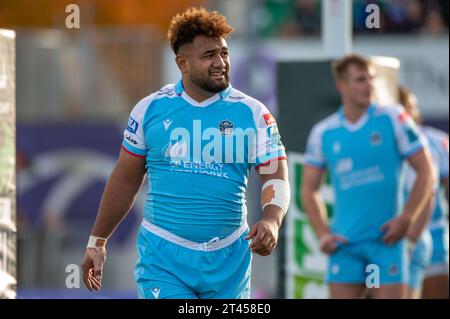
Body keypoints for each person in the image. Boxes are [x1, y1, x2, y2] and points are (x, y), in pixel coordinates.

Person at [80, 7, 289, 299]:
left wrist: (271, 220)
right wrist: (97, 241)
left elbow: (275, 174)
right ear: (183, 63)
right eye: (209, 56)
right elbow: (125, 180)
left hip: (230, 260)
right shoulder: (150, 109)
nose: (221, 63)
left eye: (224, 53)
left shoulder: (253, 113)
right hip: (164, 259)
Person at [301, 54, 434, 299]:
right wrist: (322, 233)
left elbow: (427, 170)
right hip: (345, 245)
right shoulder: (324, 132)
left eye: (371, 78)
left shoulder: (394, 117)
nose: (369, 85)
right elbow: (308, 189)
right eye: (360, 79)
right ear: (341, 85)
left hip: (387, 243)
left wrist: (407, 217)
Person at [399, 86, 450, 299]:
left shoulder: (437, 141)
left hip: (434, 235)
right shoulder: (380, 141)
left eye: (410, 107)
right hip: (392, 236)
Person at [398, 86, 435, 299]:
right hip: (387, 241)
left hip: (414, 237)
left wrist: (410, 240)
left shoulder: (421, 147)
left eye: (411, 109)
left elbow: (428, 190)